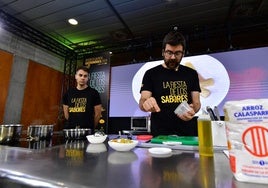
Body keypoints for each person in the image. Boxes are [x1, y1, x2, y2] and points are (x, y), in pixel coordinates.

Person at [139, 29, 201, 137]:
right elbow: (142, 101)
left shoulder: (191, 74)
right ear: (163, 52)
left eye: (177, 53)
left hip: (186, 133)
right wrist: (146, 103)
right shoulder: (151, 74)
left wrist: (192, 110)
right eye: (169, 53)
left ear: (183, 53)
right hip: (160, 134)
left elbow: (197, 103)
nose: (173, 57)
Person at [62, 66, 102, 132]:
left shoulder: (94, 93)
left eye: (85, 76)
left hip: (87, 130)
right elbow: (66, 114)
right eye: (80, 75)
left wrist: (91, 127)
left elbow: (98, 114)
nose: (82, 78)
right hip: (71, 130)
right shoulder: (68, 93)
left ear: (88, 78)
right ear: (75, 76)